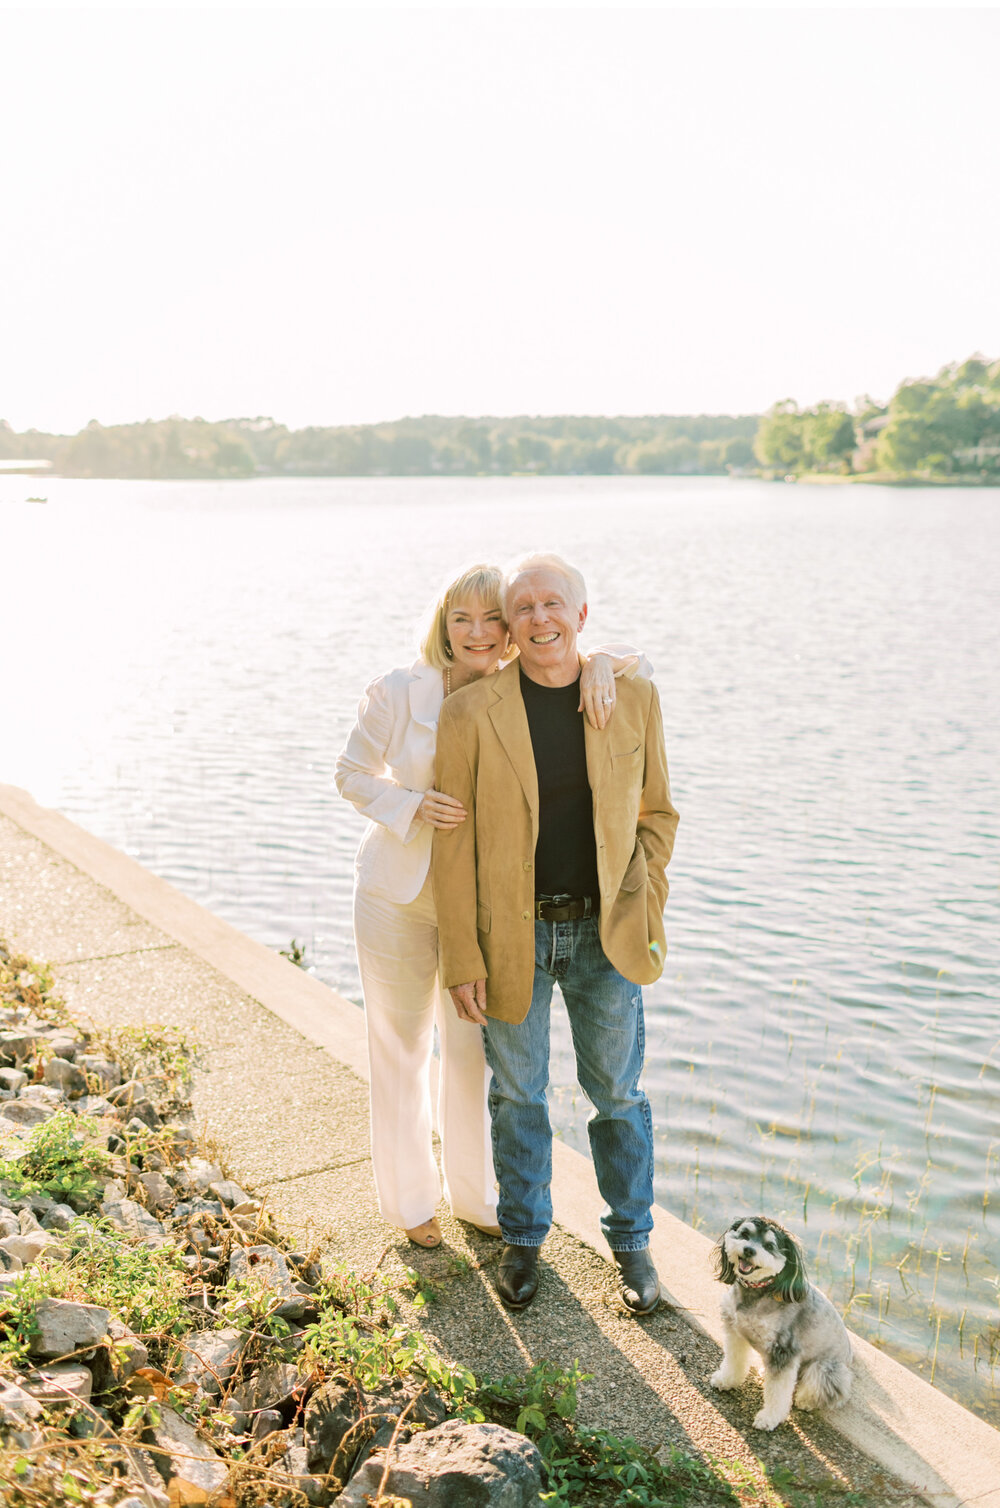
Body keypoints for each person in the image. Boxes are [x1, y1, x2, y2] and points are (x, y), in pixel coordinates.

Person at [335, 562, 644, 1249]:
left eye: (490, 620)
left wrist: (597, 666)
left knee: (473, 1051)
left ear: (509, 630)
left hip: (482, 906)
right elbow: (350, 775)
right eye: (461, 619)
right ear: (443, 626)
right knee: (400, 1048)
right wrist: (412, 806)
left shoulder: (522, 687)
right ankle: (411, 1201)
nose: (478, 633)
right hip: (400, 896)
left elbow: (618, 658)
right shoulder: (397, 691)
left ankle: (478, 1200)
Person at [432, 553, 679, 1312]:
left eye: (553, 604)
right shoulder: (471, 712)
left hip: (606, 934)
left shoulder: (630, 694)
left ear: (580, 613)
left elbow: (658, 814)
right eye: (524, 608)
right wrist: (462, 956)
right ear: (510, 626)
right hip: (514, 939)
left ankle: (633, 1248)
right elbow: (454, 846)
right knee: (518, 1096)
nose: (540, 618)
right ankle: (524, 1241)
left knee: (618, 1096)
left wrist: (647, 897)